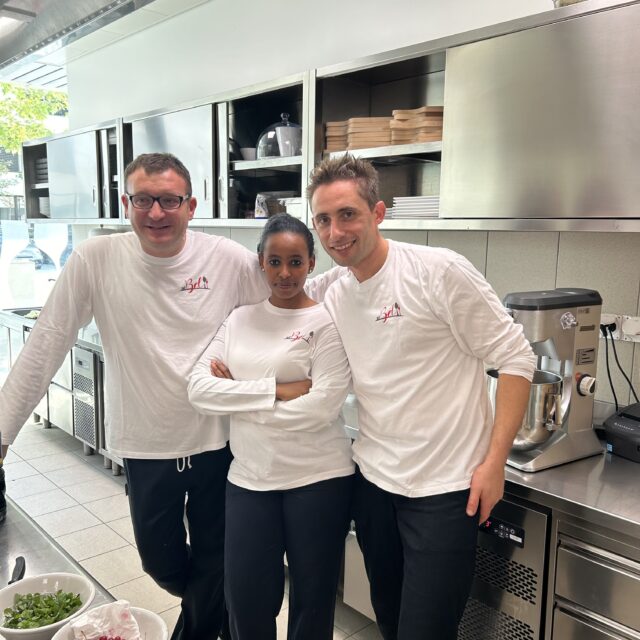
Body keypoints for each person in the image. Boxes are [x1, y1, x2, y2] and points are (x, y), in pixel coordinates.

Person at [0, 153, 336, 640]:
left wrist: (362, 279)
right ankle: (212, 612)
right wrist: (3, 433)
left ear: (190, 205)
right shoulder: (97, 259)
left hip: (218, 445)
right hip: (146, 444)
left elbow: (290, 287)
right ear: (126, 203)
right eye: (144, 200)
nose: (156, 212)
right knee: (162, 564)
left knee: (216, 562)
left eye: (169, 200)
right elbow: (47, 341)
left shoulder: (223, 259)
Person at [307, 155, 536, 640]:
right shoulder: (333, 291)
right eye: (323, 220)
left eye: (347, 214)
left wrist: (494, 464)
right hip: (373, 486)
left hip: (445, 492)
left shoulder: (439, 272)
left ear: (378, 212)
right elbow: (273, 292)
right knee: (389, 620)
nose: (334, 232)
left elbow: (517, 359)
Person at [188, 213, 354, 640]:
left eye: (295, 262)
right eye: (275, 261)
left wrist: (238, 400)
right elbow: (199, 390)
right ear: (260, 261)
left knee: (312, 603)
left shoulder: (326, 323)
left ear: (311, 263)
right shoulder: (239, 319)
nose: (285, 273)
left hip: (320, 478)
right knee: (246, 599)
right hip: (249, 478)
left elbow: (321, 407)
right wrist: (275, 390)